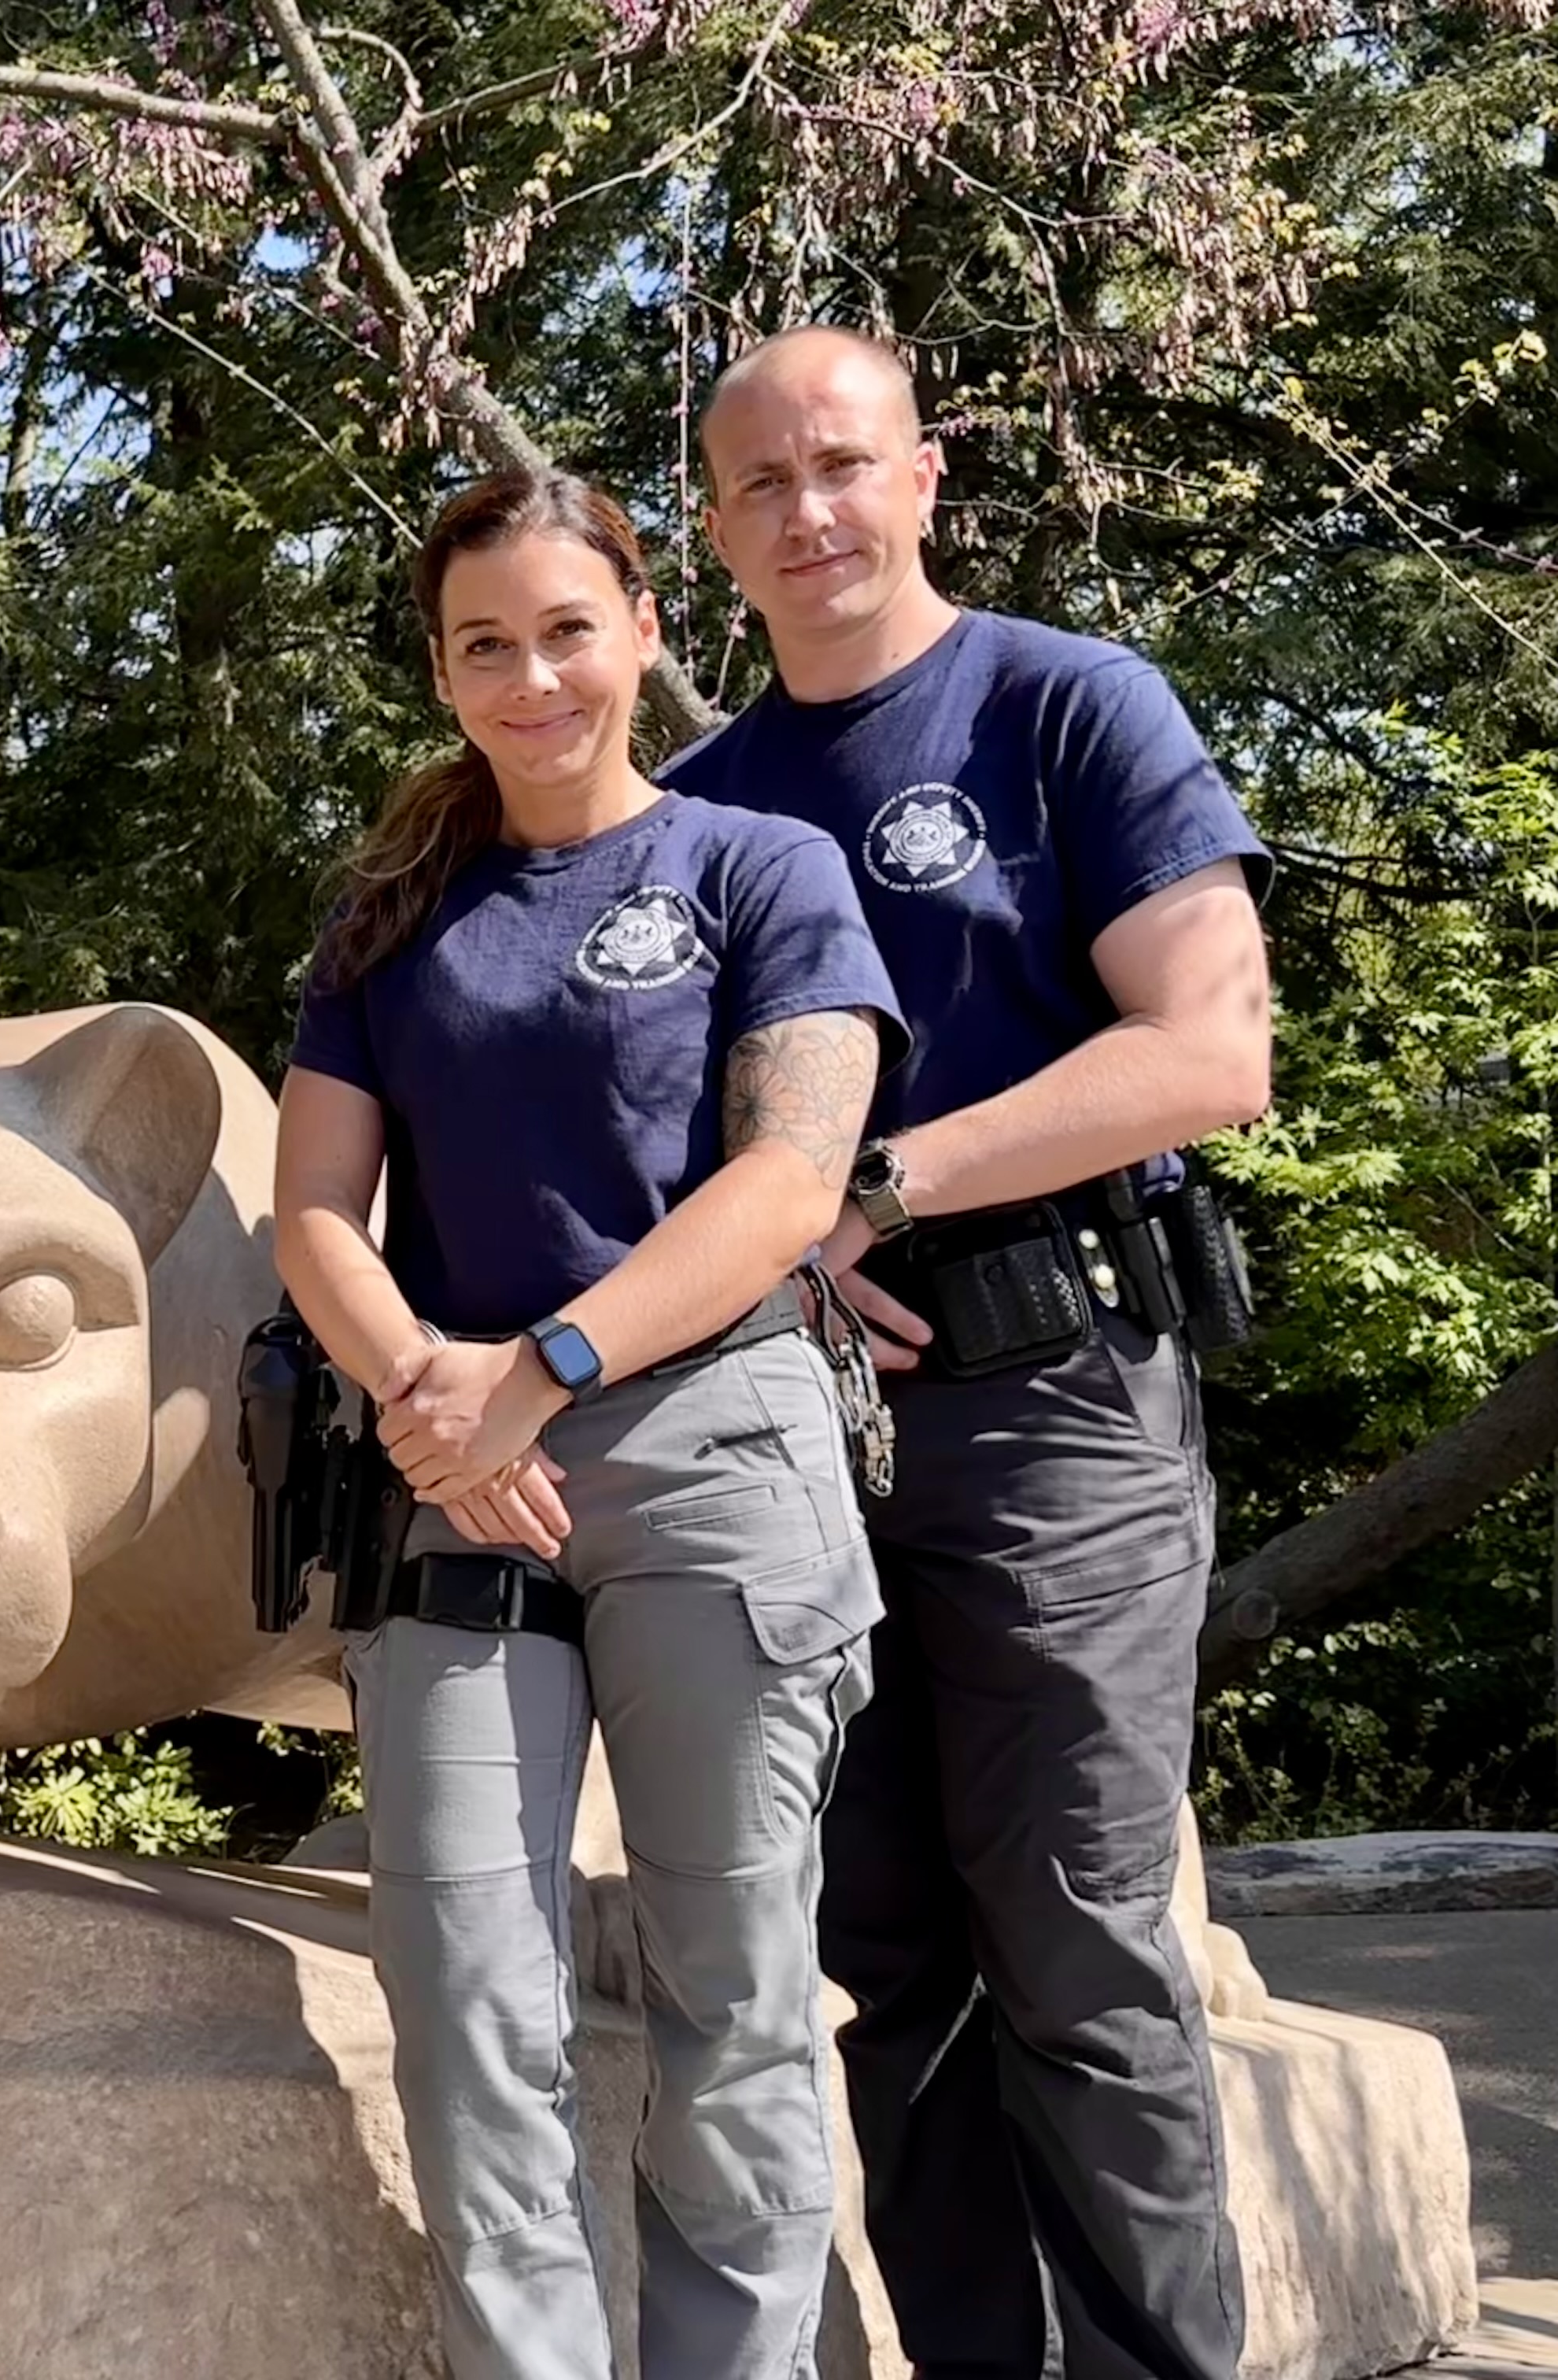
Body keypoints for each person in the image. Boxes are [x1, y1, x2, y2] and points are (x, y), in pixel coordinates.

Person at [663, 325, 1275, 2380]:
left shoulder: (1064, 710)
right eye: (761, 484)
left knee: (1084, 1970)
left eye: (842, 463)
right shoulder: (700, 810)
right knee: (892, 1977)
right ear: (718, 533)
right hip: (798, 1458)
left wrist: (872, 1187)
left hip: (1060, 1417)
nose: (808, 510)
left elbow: (1211, 1052)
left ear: (925, 475)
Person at [273, 464, 904, 2380]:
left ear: (642, 628)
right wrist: (428, 1394)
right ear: (443, 670)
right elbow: (314, 1208)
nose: (530, 675)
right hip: (460, 1475)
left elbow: (794, 1182)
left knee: (733, 2001)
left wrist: (542, 1363)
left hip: (710, 1449)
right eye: (484, 645)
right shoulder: (393, 911)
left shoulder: (757, 869)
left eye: (567, 629)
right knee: (471, 1992)